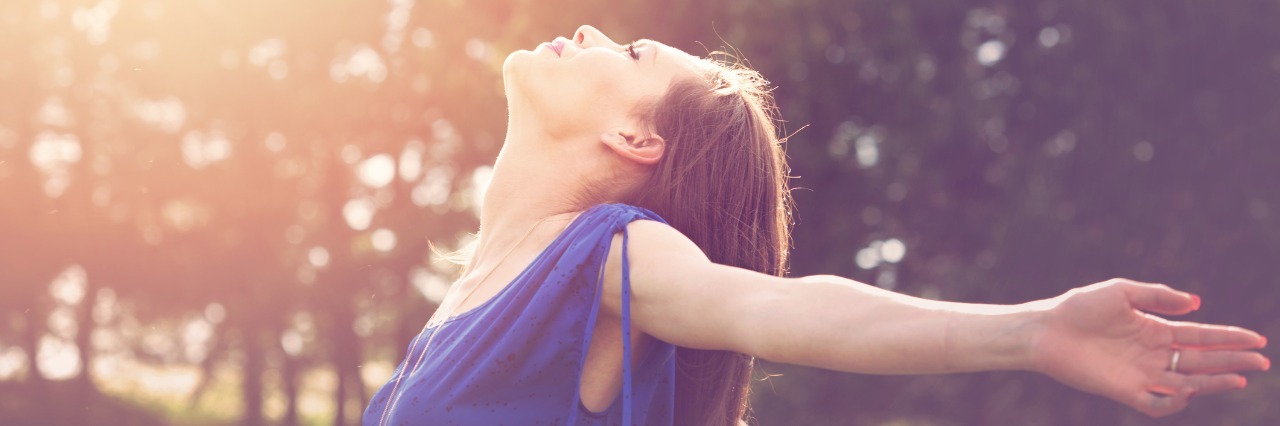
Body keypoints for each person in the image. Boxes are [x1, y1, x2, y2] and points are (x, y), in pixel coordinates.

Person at [362, 25, 1270, 425]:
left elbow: (785, 310)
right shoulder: (471, 298)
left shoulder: (607, 258)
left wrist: (1032, 331)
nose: (594, 30)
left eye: (632, 54)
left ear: (635, 137)